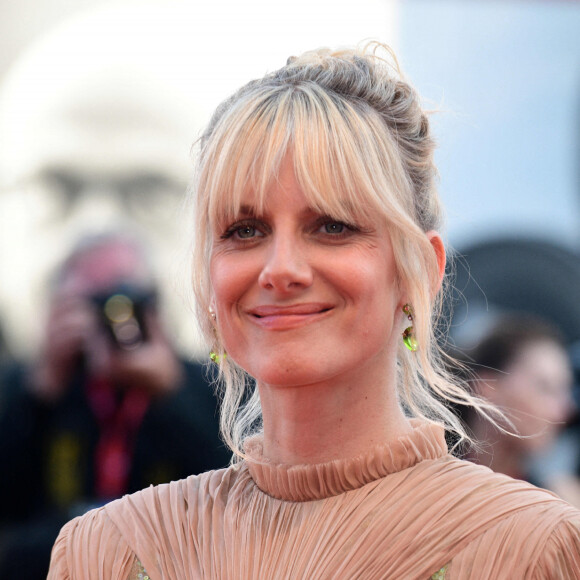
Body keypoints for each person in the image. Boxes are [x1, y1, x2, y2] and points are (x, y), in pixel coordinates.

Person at [48, 43, 580, 579]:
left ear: (420, 268)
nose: (280, 269)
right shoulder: (107, 552)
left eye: (332, 226)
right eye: (245, 230)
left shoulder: (530, 548)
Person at [0, 232, 230, 579]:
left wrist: (169, 393)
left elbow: (233, 494)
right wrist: (40, 393)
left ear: (155, 307)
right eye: (90, 301)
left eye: (125, 298)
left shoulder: (206, 384)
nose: (111, 315)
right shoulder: (30, 386)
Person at [456, 314, 575, 479]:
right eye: (545, 387)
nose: (564, 410)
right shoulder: (423, 471)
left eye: (565, 390)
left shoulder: (550, 497)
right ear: (487, 388)